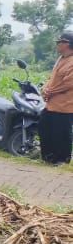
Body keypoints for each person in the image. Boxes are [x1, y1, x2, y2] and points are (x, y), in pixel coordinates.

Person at [39, 30, 73, 164]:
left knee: (62, 132)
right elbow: (52, 77)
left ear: (67, 44)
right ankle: (49, 157)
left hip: (65, 105)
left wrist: (51, 91)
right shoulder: (61, 59)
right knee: (44, 126)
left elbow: (69, 82)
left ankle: (62, 159)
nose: (57, 44)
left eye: (60, 42)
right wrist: (45, 88)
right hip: (51, 103)